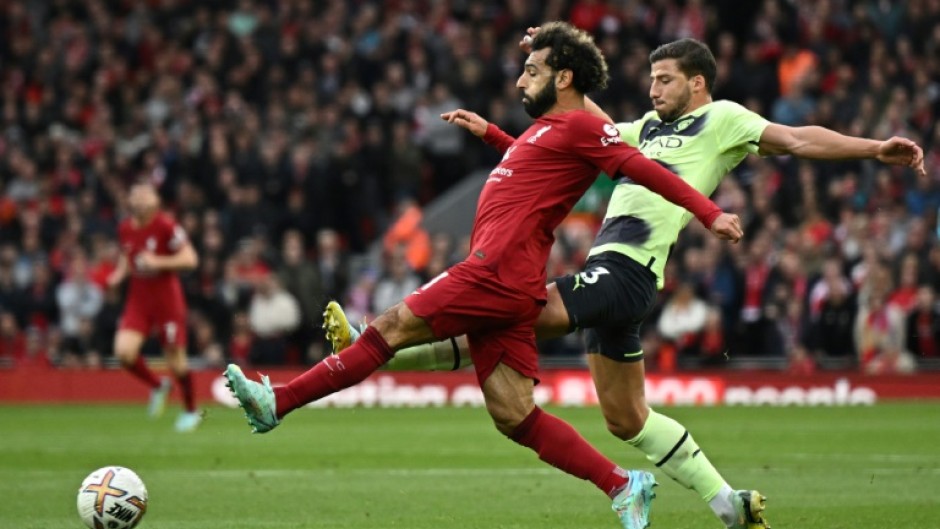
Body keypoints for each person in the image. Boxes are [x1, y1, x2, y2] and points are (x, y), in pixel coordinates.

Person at [324, 35, 926, 529]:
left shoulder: (723, 119)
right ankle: (729, 505)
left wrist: (874, 149)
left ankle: (368, 344)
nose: (653, 89)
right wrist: (503, 118)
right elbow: (562, 138)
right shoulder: (641, 130)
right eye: (651, 80)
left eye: (664, 79)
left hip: (622, 271)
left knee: (502, 307)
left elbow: (797, 139)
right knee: (625, 417)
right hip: (620, 282)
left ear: (696, 82)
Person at [224, 22, 742, 529]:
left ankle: (279, 402)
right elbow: (534, 163)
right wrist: (492, 133)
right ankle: (621, 485)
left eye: (532, 69)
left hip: (495, 273)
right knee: (513, 414)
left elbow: (646, 169)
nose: (520, 80)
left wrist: (708, 212)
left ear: (563, 79)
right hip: (511, 284)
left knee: (389, 328)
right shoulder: (546, 131)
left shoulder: (585, 127)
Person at [107, 180, 202, 432]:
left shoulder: (166, 226)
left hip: (166, 299)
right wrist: (118, 276)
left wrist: (157, 262)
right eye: (134, 195)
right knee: (124, 352)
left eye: (144, 195)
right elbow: (128, 256)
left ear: (155, 201)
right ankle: (158, 385)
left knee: (176, 361)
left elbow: (190, 259)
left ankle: (191, 410)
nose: (138, 199)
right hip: (138, 299)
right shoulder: (125, 228)